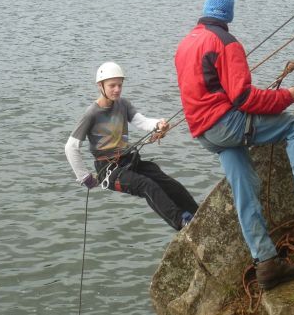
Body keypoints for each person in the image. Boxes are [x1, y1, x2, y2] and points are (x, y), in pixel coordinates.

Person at [175, 0, 294, 291]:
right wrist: (285, 97)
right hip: (225, 124)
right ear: (228, 15)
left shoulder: (186, 43)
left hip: (204, 133)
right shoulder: (226, 42)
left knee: (245, 189)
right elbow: (243, 97)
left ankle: (266, 263)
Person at [65, 61, 198, 231]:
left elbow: (141, 121)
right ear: (100, 86)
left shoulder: (123, 104)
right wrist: (85, 178)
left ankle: (197, 213)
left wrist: (159, 124)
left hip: (130, 160)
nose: (117, 90)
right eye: (112, 85)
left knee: (165, 181)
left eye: (120, 85)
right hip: (109, 170)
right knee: (146, 185)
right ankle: (181, 222)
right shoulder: (92, 113)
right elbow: (71, 147)